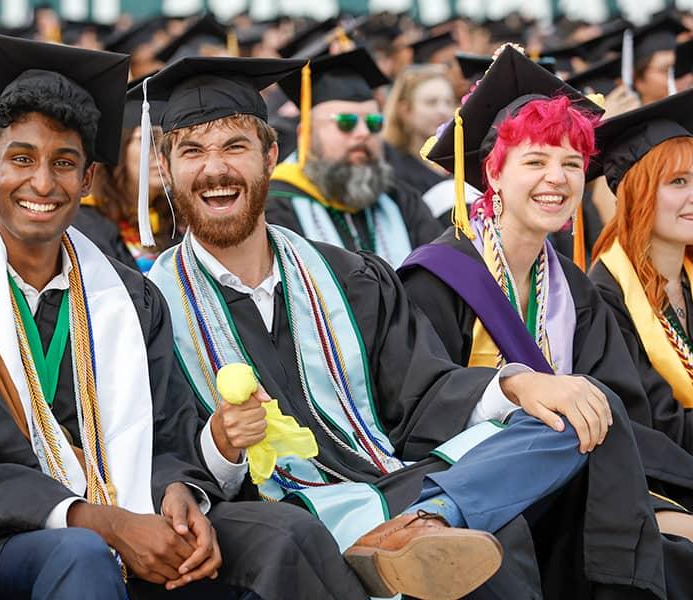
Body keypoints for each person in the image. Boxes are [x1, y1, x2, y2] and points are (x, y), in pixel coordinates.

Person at [138, 53, 665, 600]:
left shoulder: (351, 278)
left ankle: (431, 518)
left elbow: (422, 394)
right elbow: (156, 455)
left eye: (235, 147)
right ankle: (423, 526)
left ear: (271, 155)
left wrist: (518, 384)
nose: (215, 168)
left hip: (392, 485)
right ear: (166, 165)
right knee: (308, 535)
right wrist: (221, 445)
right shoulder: (149, 305)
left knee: (574, 410)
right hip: (264, 507)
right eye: (193, 151)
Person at [0, 33, 360, 600]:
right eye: (21, 160)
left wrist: (177, 497)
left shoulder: (129, 297)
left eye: (64, 163)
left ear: (87, 181)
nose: (42, 183)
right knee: (81, 554)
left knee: (281, 535)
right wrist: (105, 523)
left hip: (130, 515)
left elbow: (168, 435)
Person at [399, 44, 688, 599]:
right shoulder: (435, 278)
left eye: (572, 163)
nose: (557, 178)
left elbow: (624, 411)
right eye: (534, 160)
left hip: (581, 490)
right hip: (481, 496)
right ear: (493, 172)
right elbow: (415, 412)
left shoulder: (573, 291)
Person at [589, 90, 693, 534]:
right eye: (678, 182)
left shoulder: (687, 277)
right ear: (637, 193)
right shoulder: (604, 295)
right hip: (663, 483)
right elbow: (646, 422)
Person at [265, 48, 442, 267]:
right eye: (345, 123)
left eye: (373, 123)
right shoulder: (274, 208)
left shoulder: (402, 202)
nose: (363, 133)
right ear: (306, 134)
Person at [73, 87, 176, 272]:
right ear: (121, 148)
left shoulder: (176, 220)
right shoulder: (86, 222)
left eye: (167, 142)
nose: (161, 152)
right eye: (149, 139)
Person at [382, 64, 453, 196]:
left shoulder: (458, 164)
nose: (443, 111)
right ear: (405, 110)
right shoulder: (392, 170)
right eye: (431, 102)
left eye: (448, 102)